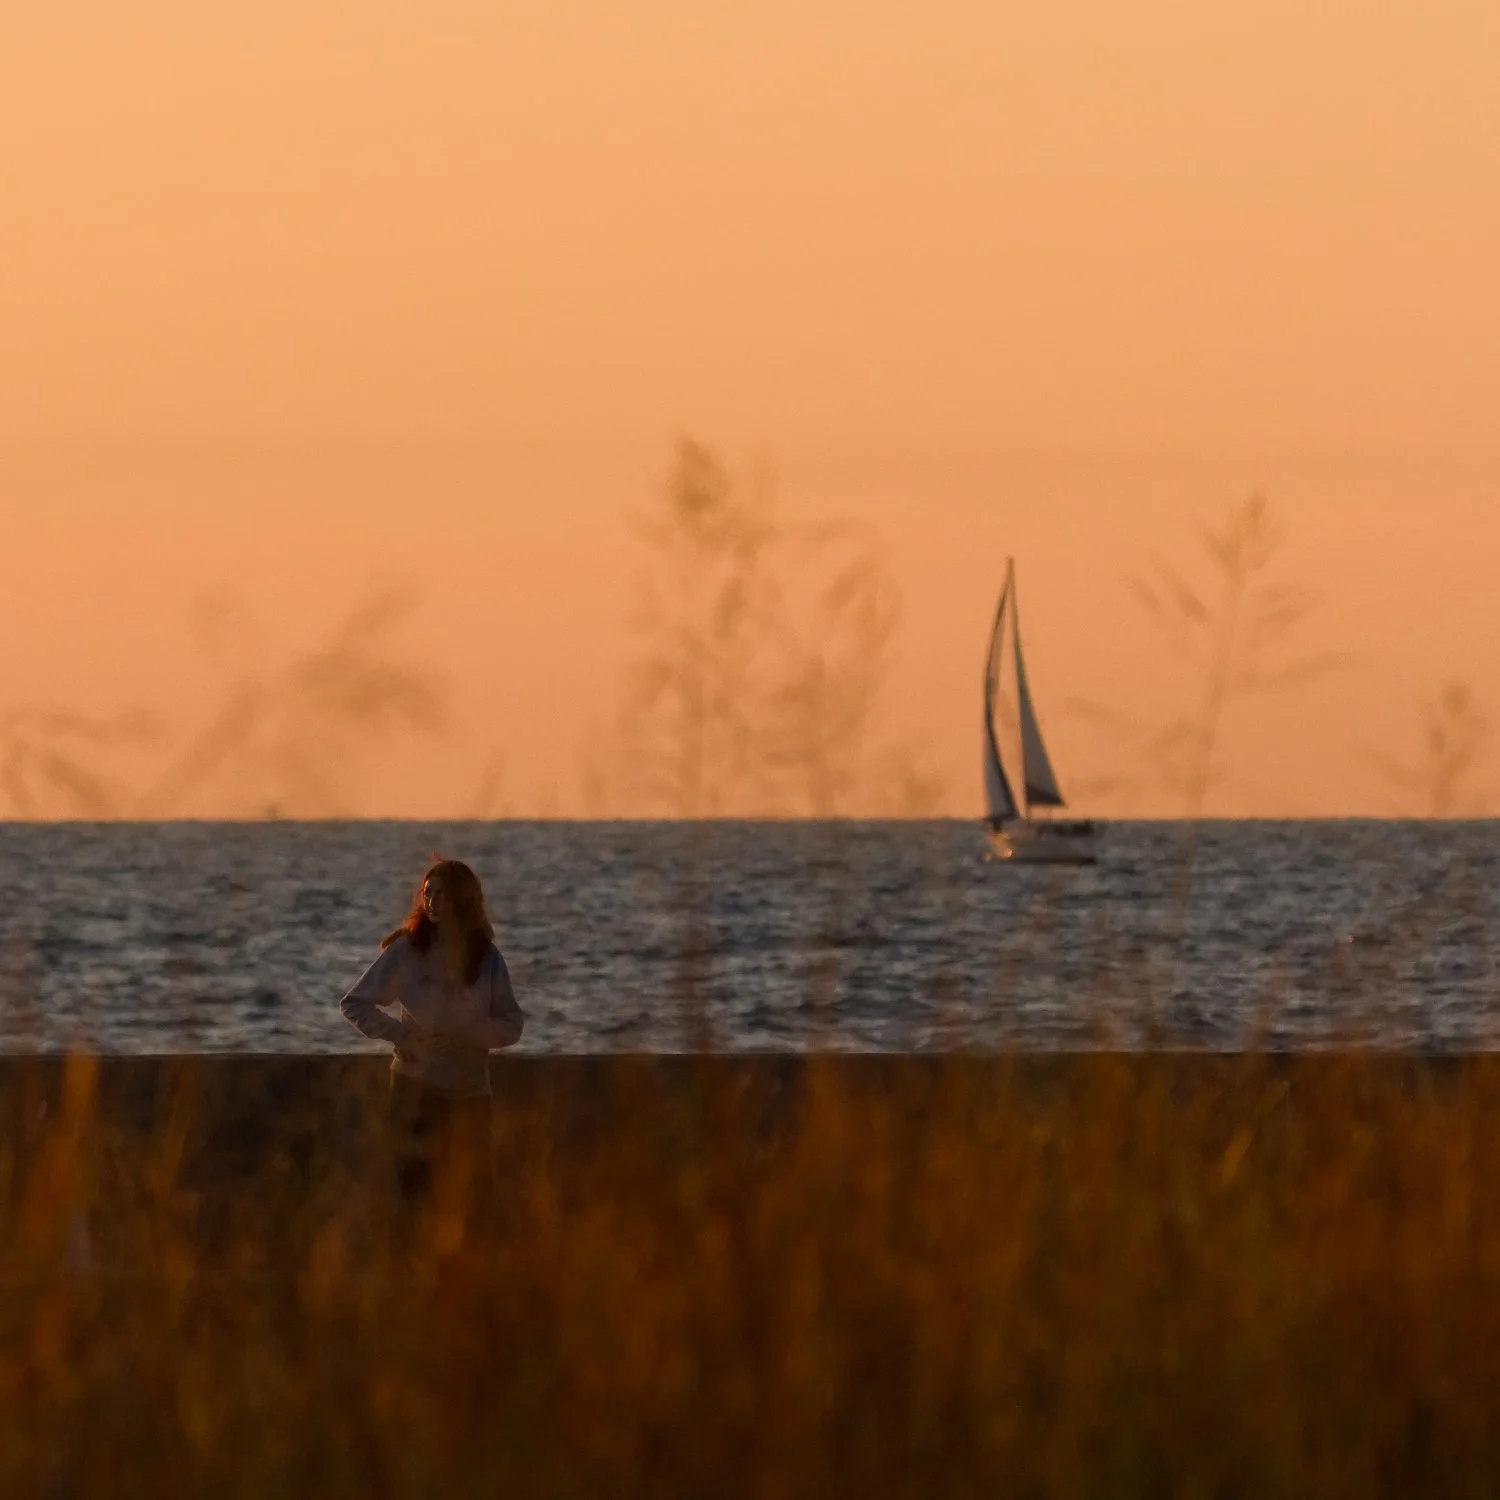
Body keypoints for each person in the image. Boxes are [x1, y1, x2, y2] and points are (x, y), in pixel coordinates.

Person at [340, 858, 524, 1227]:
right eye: (428, 893)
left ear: (463, 899)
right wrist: (401, 1034)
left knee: (474, 1200)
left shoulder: (486, 958)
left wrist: (471, 1033)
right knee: (416, 1199)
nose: (433, 901)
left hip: (471, 1093)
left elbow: (512, 1024)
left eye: (442, 893)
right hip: (415, 1090)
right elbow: (355, 1003)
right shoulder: (406, 952)